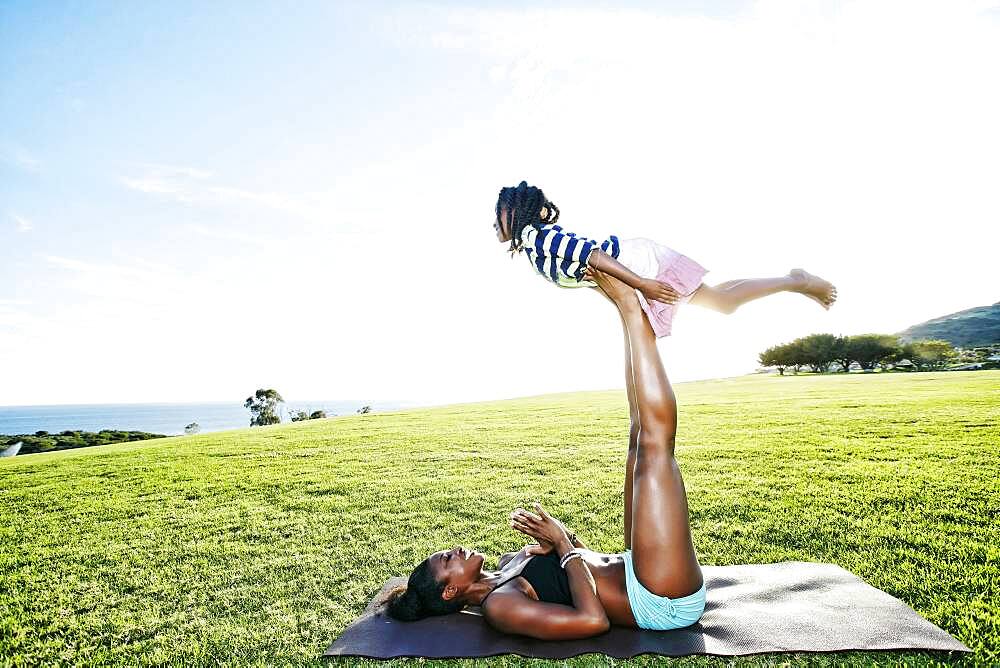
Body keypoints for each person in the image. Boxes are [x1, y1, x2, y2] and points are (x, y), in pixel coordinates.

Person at [385, 268, 707, 639]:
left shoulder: (510, 562)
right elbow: (593, 621)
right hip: (658, 598)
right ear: (450, 590)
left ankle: (627, 315)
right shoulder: (500, 605)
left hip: (635, 567)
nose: (454, 549)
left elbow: (584, 565)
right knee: (654, 448)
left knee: (638, 438)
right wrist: (563, 544)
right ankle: (631, 309)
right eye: (446, 560)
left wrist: (561, 538)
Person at [494, 180, 837, 337]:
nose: (494, 223)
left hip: (640, 265)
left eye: (499, 215)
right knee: (721, 301)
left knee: (723, 302)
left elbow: (591, 255)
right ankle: (795, 281)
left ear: (515, 212)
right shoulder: (533, 246)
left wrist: (643, 284)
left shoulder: (538, 237)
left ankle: (797, 281)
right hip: (635, 270)